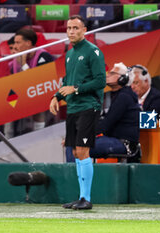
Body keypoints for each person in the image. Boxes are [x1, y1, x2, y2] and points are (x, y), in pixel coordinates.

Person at [49, 15, 106, 210]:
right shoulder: (69, 54)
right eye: (69, 28)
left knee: (82, 151)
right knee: (74, 151)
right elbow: (67, 81)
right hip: (73, 108)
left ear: (84, 30)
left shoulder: (93, 52)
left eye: (75, 28)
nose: (71, 31)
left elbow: (100, 81)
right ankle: (81, 196)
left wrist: (76, 89)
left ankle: (86, 198)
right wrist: (56, 96)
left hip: (88, 106)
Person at [90, 62, 140, 159]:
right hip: (113, 140)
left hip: (124, 144)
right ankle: (76, 174)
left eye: (112, 74)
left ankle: (75, 174)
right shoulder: (118, 96)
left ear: (123, 79)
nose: (107, 75)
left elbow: (106, 124)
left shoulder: (124, 97)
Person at [9, 29, 54, 136]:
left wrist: (24, 64)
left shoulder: (44, 56)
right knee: (8, 102)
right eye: (14, 43)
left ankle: (39, 135)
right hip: (23, 92)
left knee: (37, 102)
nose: (15, 46)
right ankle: (11, 136)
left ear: (28, 43)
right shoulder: (15, 60)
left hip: (43, 91)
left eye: (18, 43)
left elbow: (38, 82)